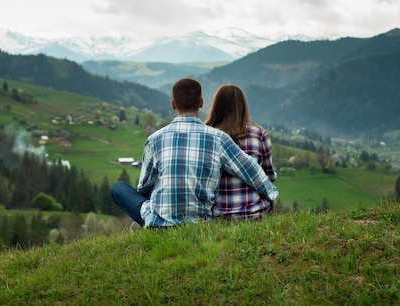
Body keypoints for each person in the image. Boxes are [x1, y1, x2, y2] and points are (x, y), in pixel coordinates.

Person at [111, 78, 278, 228]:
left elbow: (144, 185)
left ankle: (147, 221)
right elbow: (250, 169)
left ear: (173, 104)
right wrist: (271, 195)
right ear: (201, 102)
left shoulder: (155, 139)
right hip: (200, 221)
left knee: (119, 188)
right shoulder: (218, 138)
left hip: (159, 221)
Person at [205, 84, 277, 220]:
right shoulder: (259, 135)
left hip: (218, 215)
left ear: (216, 108)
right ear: (243, 107)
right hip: (254, 213)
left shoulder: (206, 137)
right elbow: (269, 176)